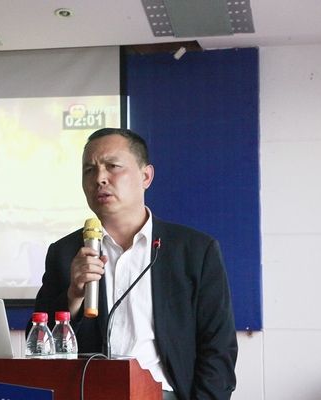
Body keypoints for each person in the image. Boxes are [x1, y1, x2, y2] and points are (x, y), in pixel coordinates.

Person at [30, 128, 237, 400]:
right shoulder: (65, 253)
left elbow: (218, 348)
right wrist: (74, 296)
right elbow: (39, 347)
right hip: (88, 394)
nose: (99, 178)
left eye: (112, 167)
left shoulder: (195, 251)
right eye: (89, 170)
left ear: (146, 176)